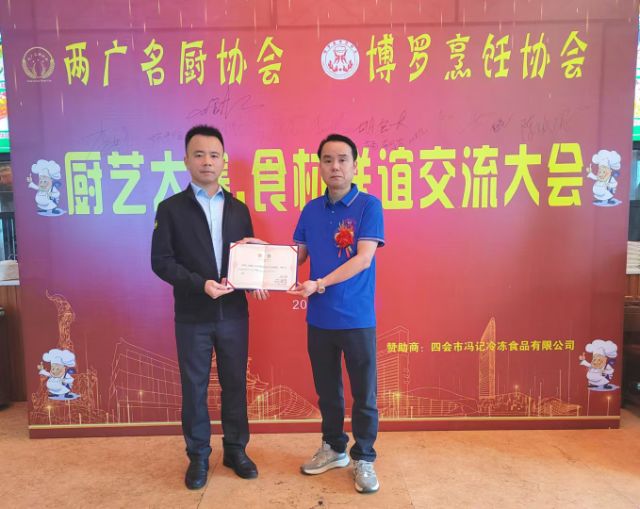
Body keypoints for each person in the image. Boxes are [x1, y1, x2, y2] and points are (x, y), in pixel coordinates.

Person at [151, 125, 259, 490]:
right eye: (199, 155)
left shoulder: (239, 209)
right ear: (186, 160)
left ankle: (235, 450)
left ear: (223, 161)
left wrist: (257, 278)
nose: (207, 161)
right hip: (192, 315)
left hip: (234, 315)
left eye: (214, 155)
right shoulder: (170, 209)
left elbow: (246, 258)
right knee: (194, 387)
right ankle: (198, 455)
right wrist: (201, 284)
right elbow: (161, 262)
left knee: (235, 384)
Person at [288, 133, 385, 494]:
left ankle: (364, 457)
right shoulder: (311, 210)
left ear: (355, 165)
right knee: (328, 392)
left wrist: (320, 283)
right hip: (320, 319)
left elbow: (363, 258)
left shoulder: (368, 206)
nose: (335, 166)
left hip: (357, 318)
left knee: (364, 394)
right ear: (320, 166)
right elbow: (296, 256)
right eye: (328, 160)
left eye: (343, 159)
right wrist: (257, 256)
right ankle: (333, 448)